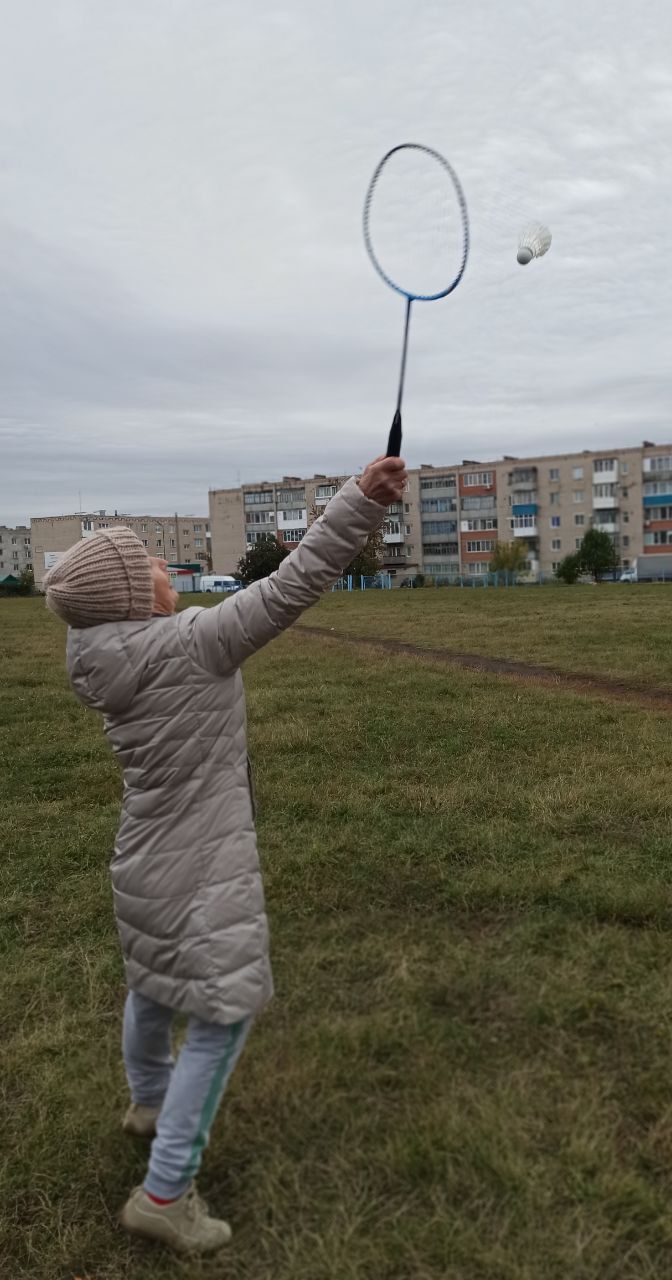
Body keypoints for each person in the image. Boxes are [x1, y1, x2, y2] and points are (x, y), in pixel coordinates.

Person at [43, 455, 407, 1254]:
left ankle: (147, 1104)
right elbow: (290, 587)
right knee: (221, 1016)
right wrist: (359, 501)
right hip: (201, 870)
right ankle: (166, 1194)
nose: (162, 568)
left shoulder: (104, 657)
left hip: (143, 862)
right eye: (148, 564)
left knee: (151, 987)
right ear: (135, 597)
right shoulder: (193, 646)